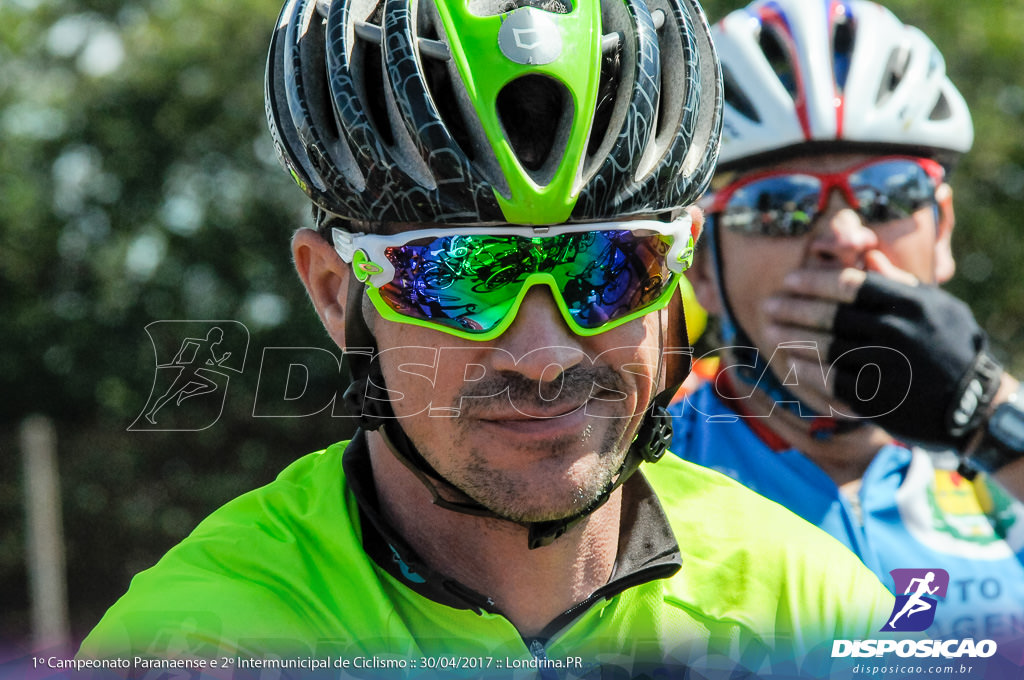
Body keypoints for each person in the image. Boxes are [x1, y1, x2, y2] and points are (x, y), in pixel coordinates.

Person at [77, 0, 897, 677]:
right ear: (334, 291)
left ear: (676, 271)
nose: (543, 356)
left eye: (611, 268)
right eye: (459, 276)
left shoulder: (815, 607)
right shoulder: (198, 640)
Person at [671, 0, 1024, 648]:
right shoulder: (636, 473)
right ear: (699, 268)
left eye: (889, 192)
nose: (845, 236)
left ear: (942, 229)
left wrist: (984, 415)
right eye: (778, 205)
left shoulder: (1006, 470)